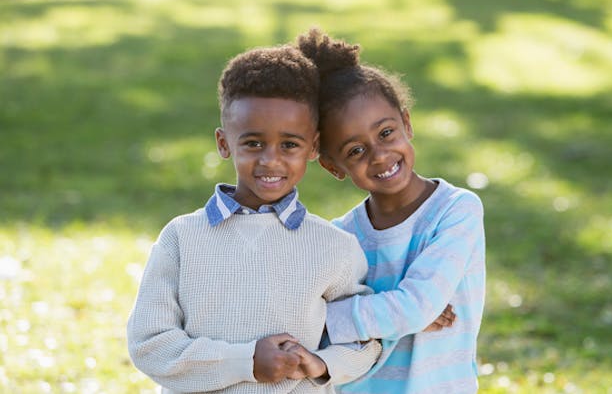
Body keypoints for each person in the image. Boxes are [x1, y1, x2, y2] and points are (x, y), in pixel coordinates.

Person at [127, 40, 381, 393]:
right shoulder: (182, 238)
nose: (270, 160)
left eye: (289, 144)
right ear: (223, 142)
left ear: (312, 146)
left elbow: (366, 339)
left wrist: (324, 363)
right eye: (253, 143)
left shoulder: (334, 247)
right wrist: (246, 362)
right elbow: (149, 344)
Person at [297, 29, 486, 393]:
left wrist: (394, 315)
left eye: (386, 133)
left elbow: (416, 307)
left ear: (407, 123)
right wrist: (399, 316)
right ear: (334, 167)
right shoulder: (340, 237)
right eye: (355, 151)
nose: (379, 155)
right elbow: (313, 332)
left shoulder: (455, 210)